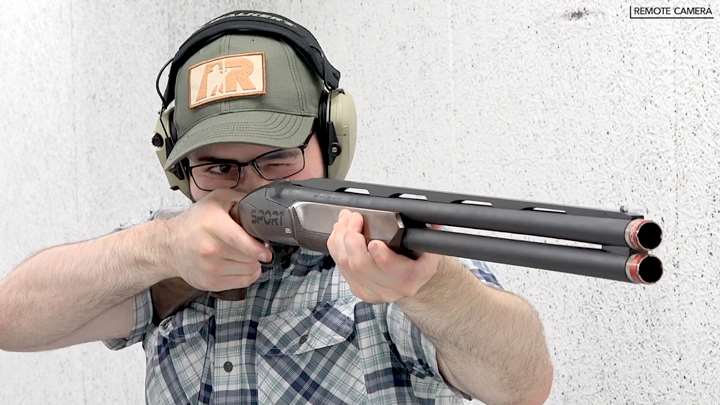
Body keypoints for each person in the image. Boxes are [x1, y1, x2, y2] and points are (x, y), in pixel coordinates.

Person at [0, 10, 553, 405]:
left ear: (329, 143)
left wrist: (431, 289)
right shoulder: (171, 258)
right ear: (179, 170)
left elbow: (523, 386)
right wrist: (159, 247)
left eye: (277, 159)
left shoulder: (387, 249)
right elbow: (12, 320)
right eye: (220, 168)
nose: (251, 188)